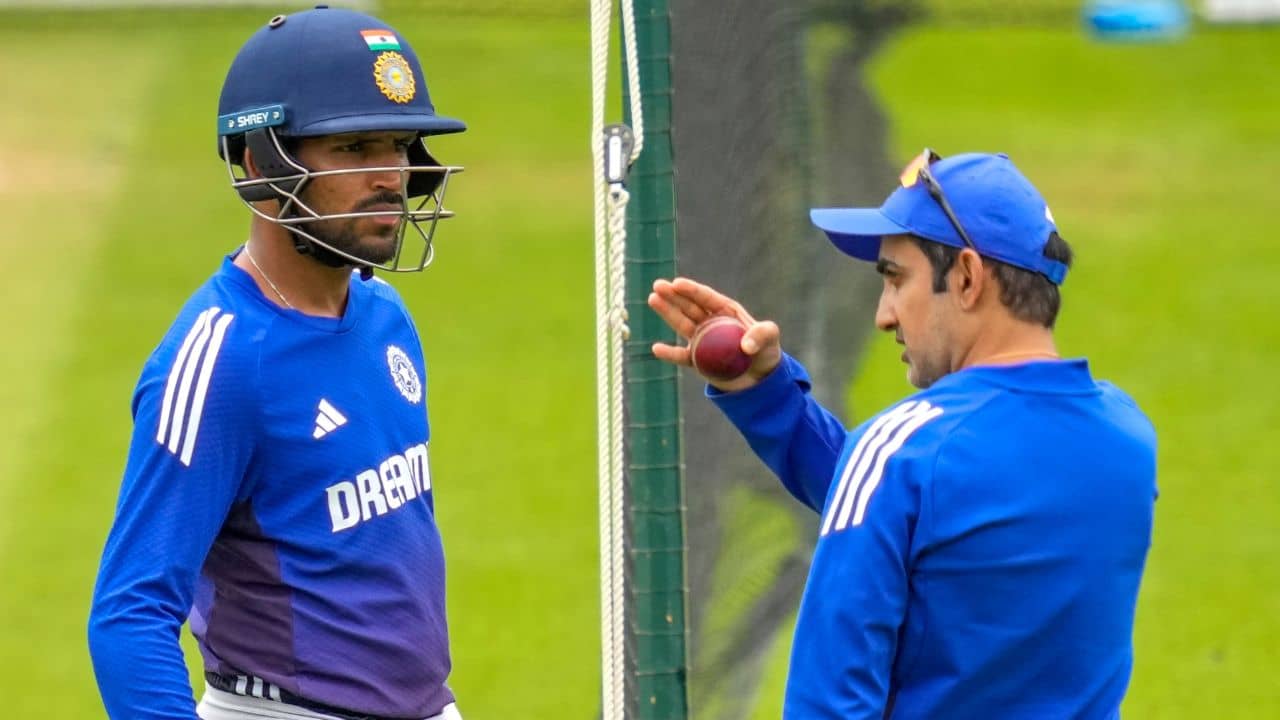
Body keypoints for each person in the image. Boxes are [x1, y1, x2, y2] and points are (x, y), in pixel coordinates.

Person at [648, 150, 1157, 718]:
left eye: (895, 279)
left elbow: (828, 702)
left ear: (967, 278)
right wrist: (766, 394)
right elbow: (931, 510)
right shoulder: (1125, 437)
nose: (884, 315)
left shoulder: (904, 452)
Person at [87, 6, 466, 720]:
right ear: (262, 164)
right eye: (354, 148)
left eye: (396, 146)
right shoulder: (222, 361)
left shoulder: (384, 314)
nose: (392, 176)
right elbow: (129, 616)